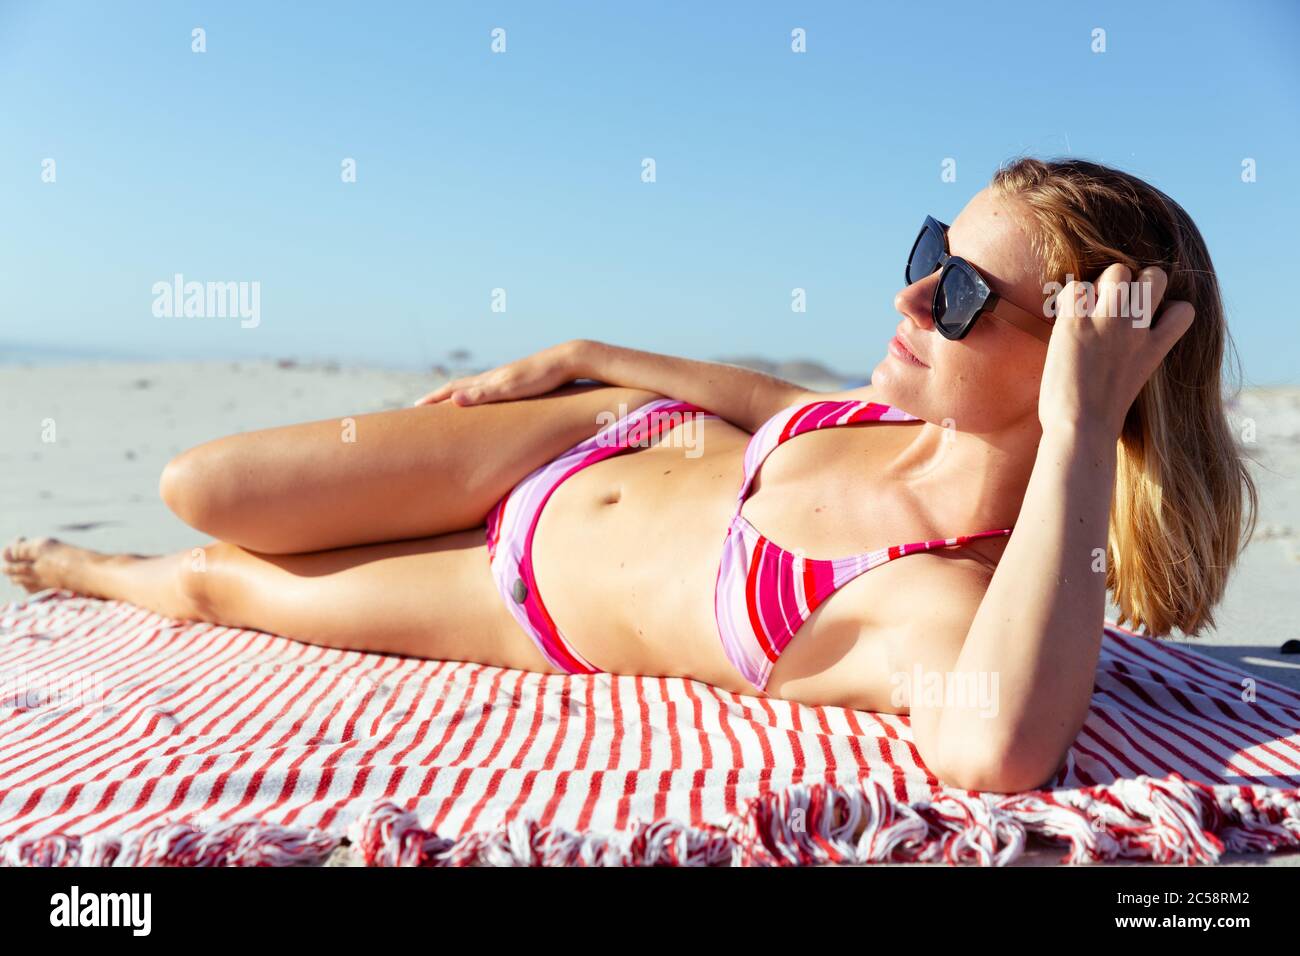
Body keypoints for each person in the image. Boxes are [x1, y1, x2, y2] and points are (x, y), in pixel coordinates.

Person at [2, 158, 1254, 792]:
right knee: (200, 484)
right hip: (575, 437)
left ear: (1081, 367)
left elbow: (996, 750)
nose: (911, 296)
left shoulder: (936, 598)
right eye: (930, 249)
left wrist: (1086, 429)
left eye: (965, 293)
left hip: (514, 603)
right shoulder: (869, 409)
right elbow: (758, 396)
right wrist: (585, 353)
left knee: (215, 583)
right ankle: (129, 545)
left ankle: (80, 566)